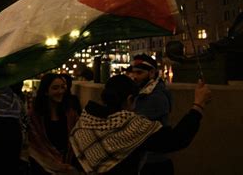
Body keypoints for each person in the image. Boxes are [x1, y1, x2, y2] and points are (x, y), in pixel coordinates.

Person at [70, 75, 212, 175]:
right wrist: (198, 104)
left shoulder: (85, 119)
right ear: (130, 99)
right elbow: (176, 140)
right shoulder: (131, 127)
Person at [127, 54, 173, 175]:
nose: (134, 77)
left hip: (154, 162)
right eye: (133, 73)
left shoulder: (156, 96)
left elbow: (135, 124)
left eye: (139, 73)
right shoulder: (144, 91)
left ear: (152, 72)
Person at [28, 73, 79, 174]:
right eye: (55, 88)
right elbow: (35, 147)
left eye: (62, 87)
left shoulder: (70, 114)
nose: (60, 91)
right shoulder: (34, 116)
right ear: (46, 91)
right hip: (41, 168)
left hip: (67, 165)